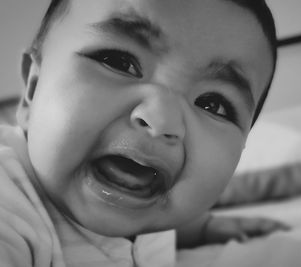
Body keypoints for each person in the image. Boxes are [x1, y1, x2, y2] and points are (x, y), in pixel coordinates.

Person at [0, 0, 285, 266]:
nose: (162, 120)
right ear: (33, 90)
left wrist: (206, 227)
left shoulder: (155, 215)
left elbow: (168, 228)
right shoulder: (10, 203)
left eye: (214, 105)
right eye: (119, 62)